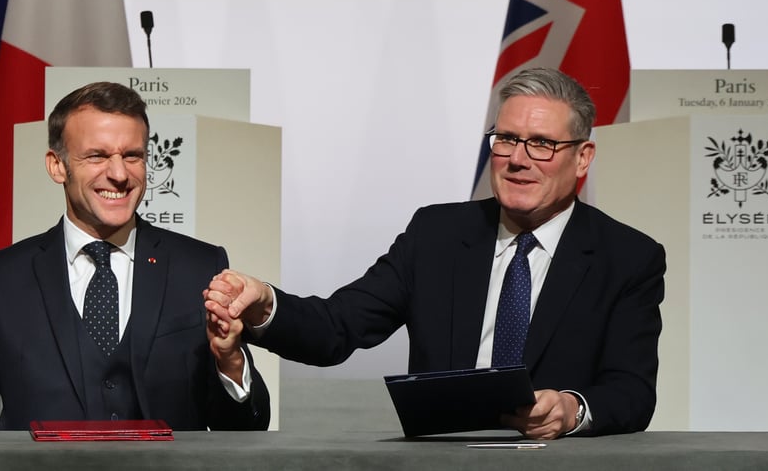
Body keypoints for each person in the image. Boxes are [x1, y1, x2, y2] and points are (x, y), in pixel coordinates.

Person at [205, 67, 665, 438]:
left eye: (541, 144)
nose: (518, 158)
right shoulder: (437, 234)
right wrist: (267, 301)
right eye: (505, 139)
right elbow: (336, 328)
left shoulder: (627, 258)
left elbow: (632, 392)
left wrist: (572, 408)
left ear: (583, 157)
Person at [0, 81, 270, 431]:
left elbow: (245, 428)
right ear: (57, 166)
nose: (119, 174)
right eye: (98, 156)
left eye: (133, 156)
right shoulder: (1, 277)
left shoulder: (199, 266)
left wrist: (232, 362)